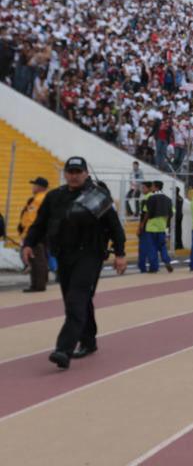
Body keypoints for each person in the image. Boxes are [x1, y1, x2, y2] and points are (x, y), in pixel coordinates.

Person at [21, 157, 127, 369]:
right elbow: (39, 224)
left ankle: (64, 349)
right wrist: (29, 243)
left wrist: (120, 253)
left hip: (90, 255)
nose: (74, 175)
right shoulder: (54, 197)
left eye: (79, 171)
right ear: (65, 173)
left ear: (86, 173)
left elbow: (115, 227)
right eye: (71, 171)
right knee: (79, 299)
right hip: (63, 255)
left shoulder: (97, 196)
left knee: (76, 299)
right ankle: (88, 341)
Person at [19, 176, 50, 292]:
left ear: (40, 187)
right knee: (40, 259)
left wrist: (28, 234)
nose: (33, 187)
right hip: (40, 233)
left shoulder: (38, 200)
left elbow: (32, 219)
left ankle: (37, 285)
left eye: (35, 185)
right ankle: (40, 283)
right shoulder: (41, 198)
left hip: (35, 234)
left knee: (36, 259)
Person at [139, 181, 174, 273]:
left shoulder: (151, 198)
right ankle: (166, 260)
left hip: (151, 227)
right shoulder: (168, 199)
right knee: (162, 246)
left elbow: (147, 212)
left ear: (155, 187)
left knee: (152, 248)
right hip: (162, 226)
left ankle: (154, 267)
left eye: (153, 186)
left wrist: (142, 224)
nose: (151, 188)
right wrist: (167, 227)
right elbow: (171, 213)